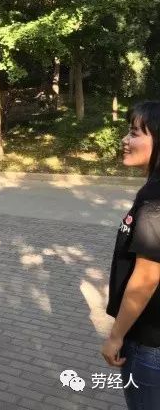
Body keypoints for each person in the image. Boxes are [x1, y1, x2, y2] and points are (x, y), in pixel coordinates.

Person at [102, 101, 160, 409]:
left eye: (135, 133)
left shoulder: (155, 198)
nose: (125, 140)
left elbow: (147, 277)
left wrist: (116, 336)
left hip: (148, 343)